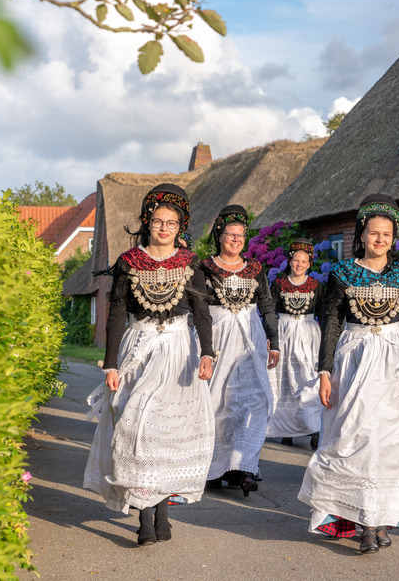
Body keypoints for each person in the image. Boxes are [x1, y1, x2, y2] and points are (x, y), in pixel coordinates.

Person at [298, 194, 399, 554]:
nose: (379, 240)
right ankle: (361, 519)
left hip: (396, 362)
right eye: (373, 233)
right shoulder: (342, 273)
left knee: (388, 443)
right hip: (354, 360)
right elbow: (330, 322)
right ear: (361, 235)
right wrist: (325, 371)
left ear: (394, 236)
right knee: (355, 439)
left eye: (386, 234)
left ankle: (375, 521)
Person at [84, 183, 215, 547]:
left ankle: (161, 513)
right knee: (136, 428)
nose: (163, 228)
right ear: (147, 222)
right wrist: (111, 365)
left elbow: (202, 312)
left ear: (180, 227)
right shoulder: (129, 263)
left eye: (171, 223)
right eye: (157, 221)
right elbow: (115, 315)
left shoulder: (191, 264)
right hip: (138, 349)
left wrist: (207, 353)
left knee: (164, 434)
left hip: (179, 353)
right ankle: (144, 515)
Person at [200, 205, 280, 496]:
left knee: (253, 400)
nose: (235, 240)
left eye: (241, 235)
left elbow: (267, 306)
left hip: (251, 341)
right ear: (219, 236)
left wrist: (275, 342)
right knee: (218, 403)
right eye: (230, 234)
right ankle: (214, 466)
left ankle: (244, 467)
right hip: (218, 339)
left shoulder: (256, 269)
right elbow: (197, 310)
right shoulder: (205, 268)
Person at [267, 238, 324, 450]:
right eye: (295, 260)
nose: (299, 264)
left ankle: (314, 429)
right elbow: (270, 312)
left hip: (308, 335)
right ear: (290, 261)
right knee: (285, 381)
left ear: (309, 264)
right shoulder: (279, 284)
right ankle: (286, 430)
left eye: (304, 261)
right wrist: (271, 338)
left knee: (308, 379)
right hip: (284, 333)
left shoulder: (316, 286)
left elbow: (323, 314)